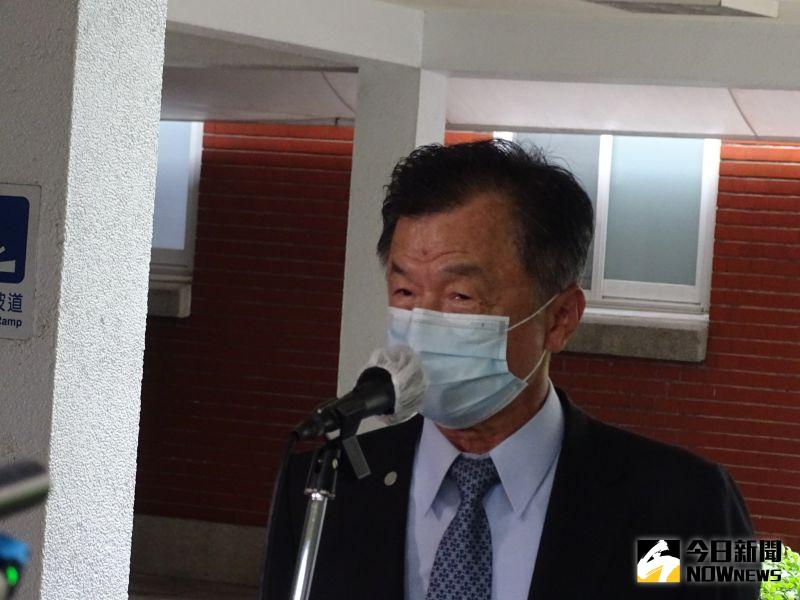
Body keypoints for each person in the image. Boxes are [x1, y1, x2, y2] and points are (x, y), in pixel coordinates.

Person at [265, 139, 758, 599]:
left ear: (560, 319)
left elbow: (768, 578)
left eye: (461, 296)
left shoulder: (685, 503)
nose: (421, 325)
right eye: (406, 292)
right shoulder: (325, 489)